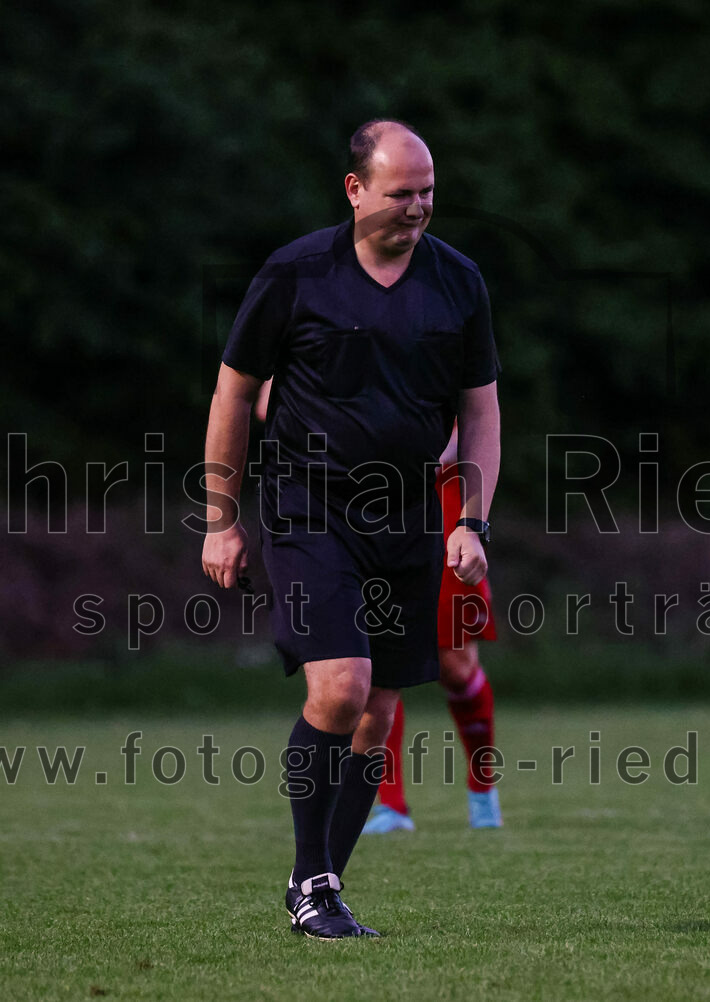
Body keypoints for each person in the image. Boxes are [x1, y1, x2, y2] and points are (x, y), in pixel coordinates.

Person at [201, 119, 500, 940]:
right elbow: (233, 394)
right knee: (340, 688)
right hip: (307, 506)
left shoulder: (459, 282)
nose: (418, 208)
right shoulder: (296, 273)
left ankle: (317, 887)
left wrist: (471, 517)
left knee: (379, 714)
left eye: (429, 193)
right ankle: (312, 881)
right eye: (402, 193)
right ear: (355, 189)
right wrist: (221, 519)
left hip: (407, 512)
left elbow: (480, 411)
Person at [364, 423, 502, 833]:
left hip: (442, 520)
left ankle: (482, 786)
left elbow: (475, 423)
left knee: (456, 668)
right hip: (368, 521)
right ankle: (391, 805)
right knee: (373, 669)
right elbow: (265, 396)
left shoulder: (437, 358)